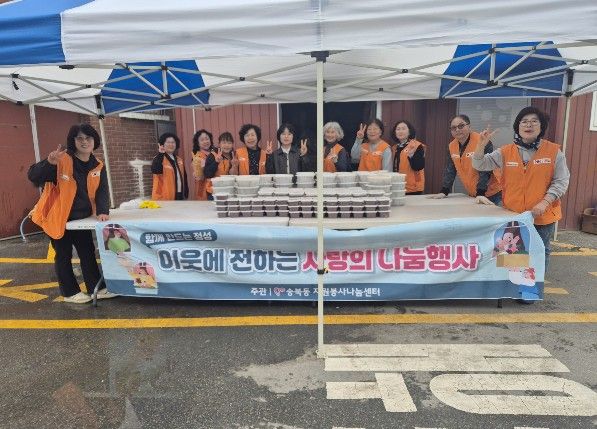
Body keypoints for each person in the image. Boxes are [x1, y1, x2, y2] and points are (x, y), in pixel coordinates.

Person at [472, 106, 570, 273]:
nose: (528, 125)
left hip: (542, 215)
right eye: (524, 121)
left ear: (541, 127)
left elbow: (561, 181)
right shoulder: (505, 151)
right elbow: (479, 164)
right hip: (513, 214)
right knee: (512, 253)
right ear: (518, 127)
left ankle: (533, 286)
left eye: (534, 121)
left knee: (539, 251)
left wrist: (545, 202)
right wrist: (480, 146)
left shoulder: (554, 151)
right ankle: (513, 283)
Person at [27, 123, 117, 304]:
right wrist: (48, 163)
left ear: (94, 140)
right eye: (79, 138)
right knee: (63, 254)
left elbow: (102, 190)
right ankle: (69, 293)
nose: (85, 142)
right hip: (57, 217)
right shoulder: (62, 160)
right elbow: (33, 176)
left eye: (88, 138)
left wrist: (102, 211)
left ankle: (96, 288)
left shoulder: (98, 165)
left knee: (87, 251)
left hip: (79, 218)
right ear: (73, 141)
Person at [429, 115, 502, 204]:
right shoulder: (451, 146)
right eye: (453, 128)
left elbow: (485, 170)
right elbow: (450, 170)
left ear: (469, 126)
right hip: (474, 193)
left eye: (461, 126)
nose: (457, 130)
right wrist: (444, 191)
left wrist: (480, 192)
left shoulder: (482, 141)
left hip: (492, 193)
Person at [391, 120, 425, 195]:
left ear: (409, 132)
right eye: (398, 129)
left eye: (403, 129)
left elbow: (419, 166)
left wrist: (411, 155)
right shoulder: (394, 148)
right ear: (395, 132)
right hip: (398, 187)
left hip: (413, 189)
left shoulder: (416, 146)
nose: (400, 131)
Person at [151, 132, 188, 200]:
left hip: (179, 195)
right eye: (168, 142)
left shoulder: (179, 160)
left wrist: (186, 192)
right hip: (164, 197)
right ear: (162, 144)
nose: (171, 144)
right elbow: (156, 170)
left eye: (173, 142)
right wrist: (161, 154)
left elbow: (184, 177)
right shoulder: (158, 159)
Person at [204, 132, 240, 199]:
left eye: (229, 143)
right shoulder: (212, 155)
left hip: (229, 191)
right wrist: (216, 162)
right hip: (214, 192)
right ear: (219, 144)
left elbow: (233, 176)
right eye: (224, 143)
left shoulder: (234, 156)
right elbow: (207, 174)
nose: (227, 145)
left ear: (232, 144)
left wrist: (234, 166)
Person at [191, 129, 214, 200]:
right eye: (202, 140)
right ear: (198, 143)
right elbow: (199, 176)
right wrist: (201, 169)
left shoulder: (215, 154)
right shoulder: (197, 157)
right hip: (203, 192)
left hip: (215, 190)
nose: (205, 141)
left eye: (207, 139)